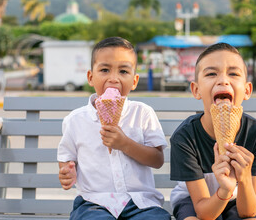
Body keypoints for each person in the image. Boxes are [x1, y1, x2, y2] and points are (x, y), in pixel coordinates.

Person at [57, 37, 171, 220]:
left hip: (141, 204)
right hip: (93, 203)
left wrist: (125, 144)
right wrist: (67, 172)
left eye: (123, 71)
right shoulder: (75, 120)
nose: (114, 78)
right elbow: (66, 158)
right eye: (104, 70)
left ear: (134, 81)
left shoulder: (142, 113)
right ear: (90, 77)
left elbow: (157, 160)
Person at [170, 43, 256, 220]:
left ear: (247, 90)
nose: (223, 80)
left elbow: (248, 212)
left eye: (233, 73)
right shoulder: (185, 137)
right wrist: (225, 188)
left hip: (241, 198)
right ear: (196, 90)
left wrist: (244, 177)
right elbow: (203, 212)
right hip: (195, 202)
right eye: (211, 74)